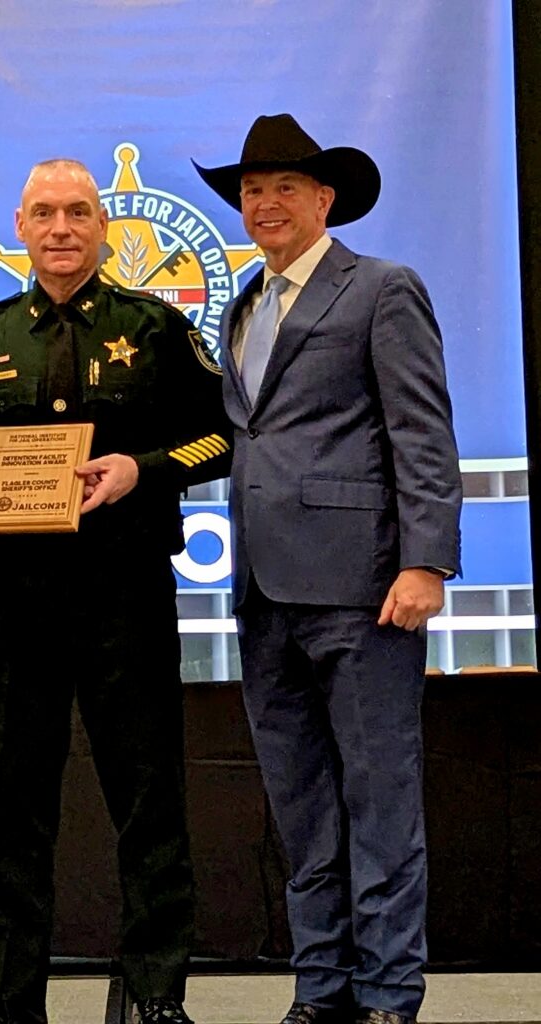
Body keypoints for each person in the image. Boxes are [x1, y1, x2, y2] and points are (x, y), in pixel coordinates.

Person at [0, 159, 232, 1024]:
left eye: (79, 213)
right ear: (19, 224)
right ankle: (9, 997)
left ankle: (155, 993)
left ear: (103, 227)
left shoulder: (157, 328)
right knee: (14, 801)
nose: (61, 228)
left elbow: (222, 435)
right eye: (45, 213)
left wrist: (146, 468)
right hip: (18, 602)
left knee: (149, 796)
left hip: (125, 594)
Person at [193, 115, 463, 1024]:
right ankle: (321, 986)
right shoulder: (241, 301)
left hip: (363, 589)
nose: (263, 204)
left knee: (377, 797)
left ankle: (387, 992)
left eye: (282, 188)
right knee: (301, 804)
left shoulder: (382, 289)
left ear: (324, 200)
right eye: (250, 191)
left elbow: (421, 434)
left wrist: (425, 560)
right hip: (263, 592)